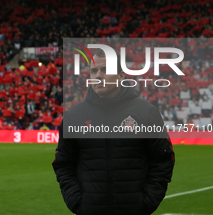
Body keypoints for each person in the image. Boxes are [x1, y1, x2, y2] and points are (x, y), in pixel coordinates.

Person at [52, 48, 175, 215]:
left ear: (121, 76)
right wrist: (77, 202)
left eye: (105, 70)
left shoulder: (146, 112)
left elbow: (163, 159)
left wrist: (147, 202)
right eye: (94, 71)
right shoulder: (74, 116)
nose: (98, 75)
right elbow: (63, 163)